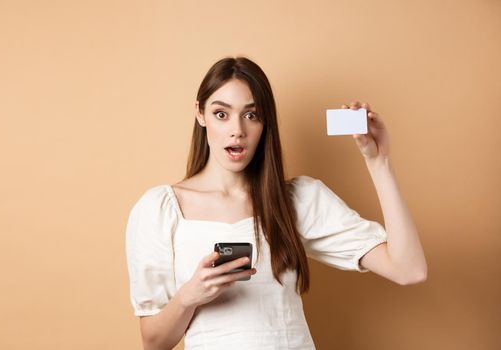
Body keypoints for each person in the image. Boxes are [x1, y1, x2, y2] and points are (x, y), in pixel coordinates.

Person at [125, 56, 427, 350]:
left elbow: (408, 269)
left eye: (251, 115)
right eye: (221, 114)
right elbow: (153, 343)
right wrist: (189, 296)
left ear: (265, 122)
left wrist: (378, 161)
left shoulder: (296, 200)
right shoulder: (160, 209)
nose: (237, 131)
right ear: (200, 113)